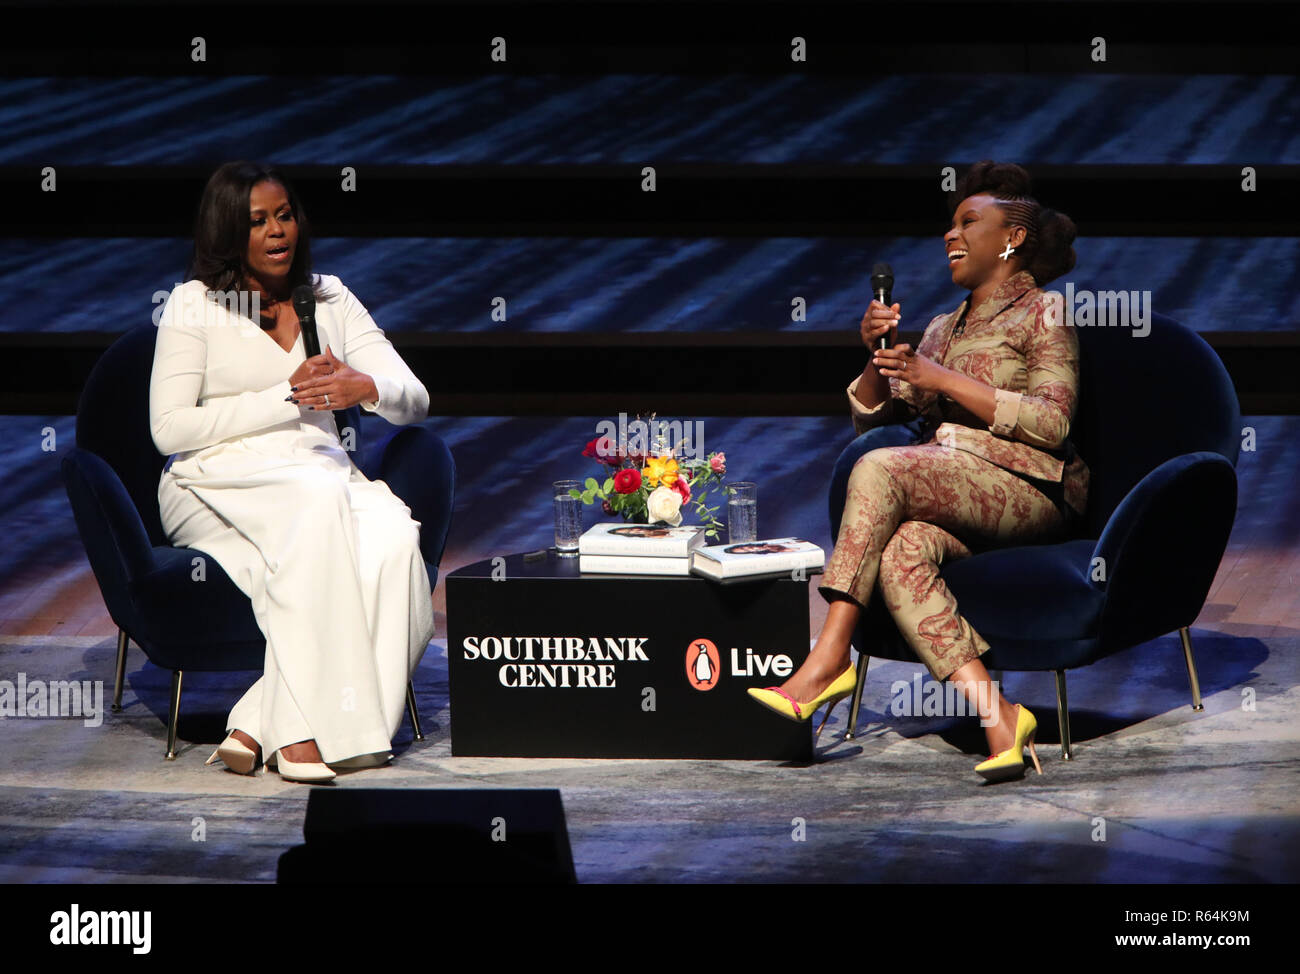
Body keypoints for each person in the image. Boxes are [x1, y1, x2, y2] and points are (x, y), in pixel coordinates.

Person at [747, 161, 1088, 782]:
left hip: (1030, 491)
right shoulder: (941, 327)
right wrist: (880, 360)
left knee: (879, 471)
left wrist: (944, 380)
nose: (950, 236)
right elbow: (876, 419)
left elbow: (1053, 422)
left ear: (1011, 239)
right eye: (949, 225)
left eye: (968, 223)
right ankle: (1000, 720)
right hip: (958, 488)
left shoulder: (1046, 313)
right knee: (904, 549)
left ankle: (829, 657)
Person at [150, 161, 435, 783]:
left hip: (317, 471)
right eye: (258, 221)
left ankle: (267, 720)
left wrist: (366, 387)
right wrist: (288, 394)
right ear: (228, 231)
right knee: (315, 502)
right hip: (214, 480)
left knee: (393, 538)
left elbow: (415, 397)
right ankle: (310, 735)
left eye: (285, 216)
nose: (278, 231)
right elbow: (168, 428)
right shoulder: (193, 305)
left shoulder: (329, 297)